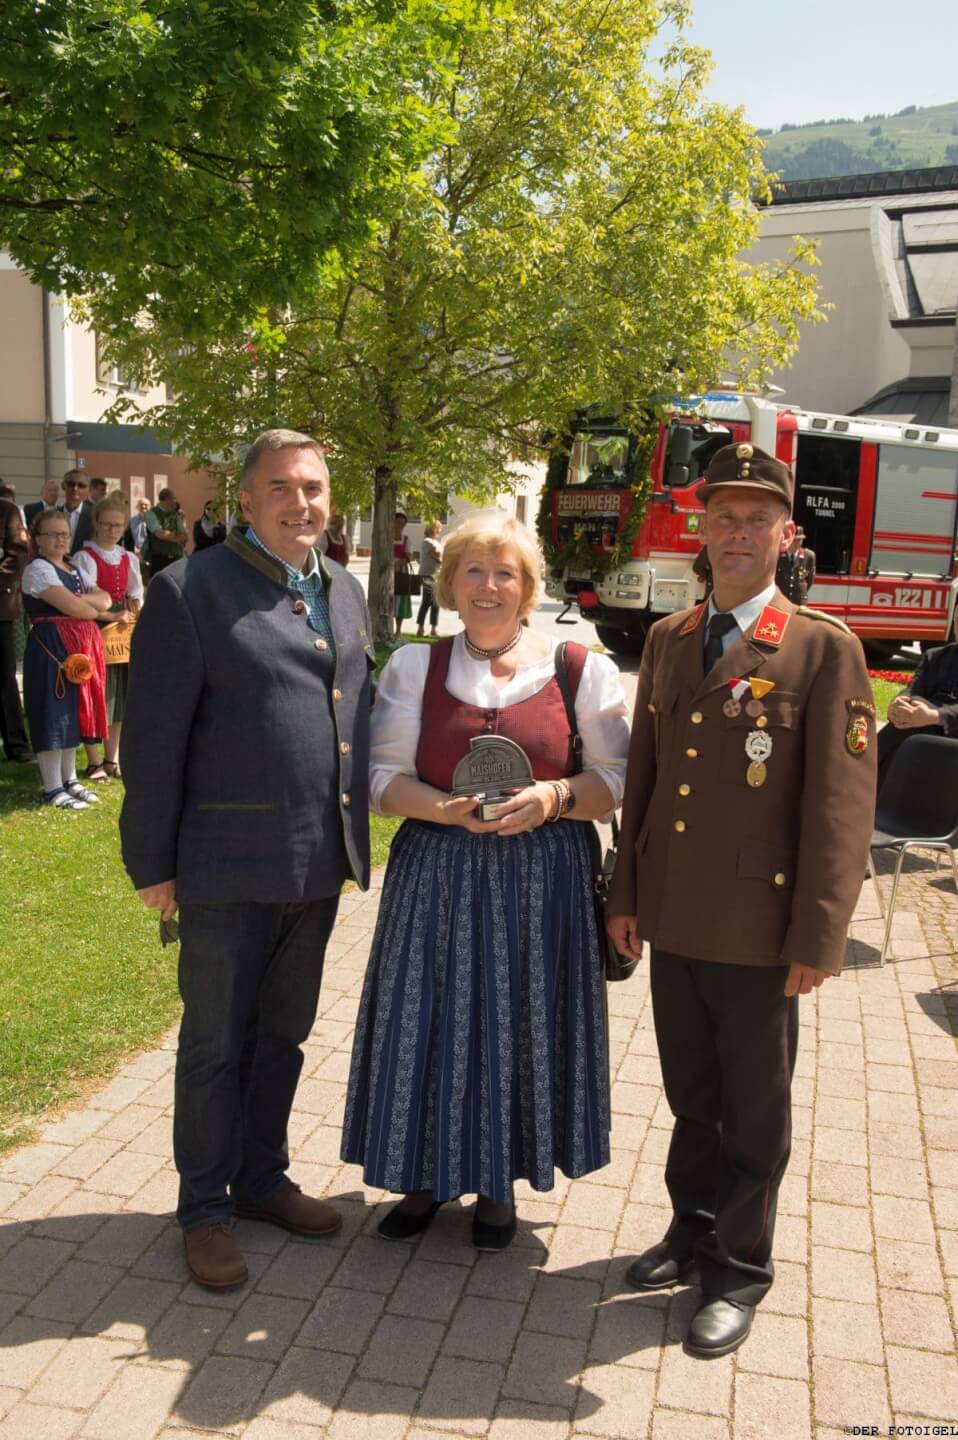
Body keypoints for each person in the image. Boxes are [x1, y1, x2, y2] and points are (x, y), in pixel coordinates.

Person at [607, 442, 876, 1359]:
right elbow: (646, 782)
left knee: (754, 1110)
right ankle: (691, 1228)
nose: (738, 532)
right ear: (704, 528)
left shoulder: (823, 649)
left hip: (761, 930)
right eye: (723, 516)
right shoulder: (669, 638)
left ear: (785, 534)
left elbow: (840, 809)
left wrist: (819, 936)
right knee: (691, 1095)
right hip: (675, 915)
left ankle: (739, 1268)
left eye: (758, 518)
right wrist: (625, 893)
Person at [120, 428, 373, 1291]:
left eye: (314, 487)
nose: (301, 503)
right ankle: (204, 1208)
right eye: (282, 488)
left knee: (283, 1037)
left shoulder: (344, 589)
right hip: (224, 866)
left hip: (316, 861)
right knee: (214, 1044)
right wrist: (153, 863)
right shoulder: (188, 591)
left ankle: (262, 1179)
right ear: (246, 499)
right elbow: (153, 743)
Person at [342, 513, 630, 1251]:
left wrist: (554, 797)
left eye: (505, 573)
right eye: (473, 570)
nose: (489, 586)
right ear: (450, 583)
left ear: (528, 587)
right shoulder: (416, 667)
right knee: (427, 1019)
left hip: (543, 879)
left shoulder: (578, 667)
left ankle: (499, 1184)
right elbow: (380, 779)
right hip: (438, 871)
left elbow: (617, 779)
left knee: (520, 1024)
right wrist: (441, 808)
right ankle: (421, 1175)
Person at [21, 509, 110, 809]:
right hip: (51, 647)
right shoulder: (38, 569)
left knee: (72, 711)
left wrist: (83, 602)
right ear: (38, 539)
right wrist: (88, 605)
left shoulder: (74, 569)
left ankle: (69, 779)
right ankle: (52, 786)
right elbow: (80, 609)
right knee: (53, 711)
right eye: (52, 534)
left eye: (64, 534)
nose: (60, 539)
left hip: (76, 647)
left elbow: (106, 599)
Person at [74, 492, 144, 781]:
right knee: (94, 692)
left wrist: (132, 611)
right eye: (106, 524)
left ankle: (111, 759)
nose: (112, 530)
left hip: (121, 630)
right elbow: (84, 597)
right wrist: (111, 615)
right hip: (92, 625)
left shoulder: (128, 558)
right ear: (96, 523)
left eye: (117, 525)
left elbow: (136, 592)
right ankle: (93, 761)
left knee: (118, 695)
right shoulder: (85, 557)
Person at [876, 606, 958, 801]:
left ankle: (863, 783)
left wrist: (935, 716)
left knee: (906, 731)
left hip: (949, 730)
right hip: (920, 724)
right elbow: (913, 690)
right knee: (905, 720)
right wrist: (897, 705)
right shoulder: (935, 656)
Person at [0, 495, 32, 763]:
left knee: (4, 677)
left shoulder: (7, 511)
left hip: (0, 607)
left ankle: (16, 744)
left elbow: (18, 554)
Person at [143, 487, 187, 579]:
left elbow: (185, 536)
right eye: (174, 498)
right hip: (160, 560)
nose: (175, 501)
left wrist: (169, 535)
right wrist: (176, 535)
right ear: (167, 499)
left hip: (176, 558)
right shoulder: (151, 514)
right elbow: (160, 535)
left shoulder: (175, 515)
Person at [775, 525, 816, 605]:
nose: (798, 543)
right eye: (795, 540)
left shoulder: (809, 556)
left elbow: (810, 580)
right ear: (789, 540)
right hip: (781, 600)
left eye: (800, 540)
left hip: (799, 600)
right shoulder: (778, 555)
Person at [415, 520, 443, 637]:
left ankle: (433, 628)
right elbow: (437, 555)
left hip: (435, 575)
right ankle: (420, 628)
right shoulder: (427, 541)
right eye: (438, 528)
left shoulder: (435, 542)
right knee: (427, 601)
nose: (440, 530)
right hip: (427, 575)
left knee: (436, 602)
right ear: (434, 529)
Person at [58, 470, 96, 554]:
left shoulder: (95, 516)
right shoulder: (53, 515)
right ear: (63, 486)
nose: (75, 488)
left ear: (88, 490)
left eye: (81, 485)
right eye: (71, 484)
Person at [393, 510, 413, 637]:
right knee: (387, 600)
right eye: (397, 522)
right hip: (386, 572)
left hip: (401, 572)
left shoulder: (406, 539)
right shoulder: (386, 538)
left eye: (402, 523)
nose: (399, 525)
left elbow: (409, 556)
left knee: (400, 601)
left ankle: (398, 630)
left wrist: (397, 564)